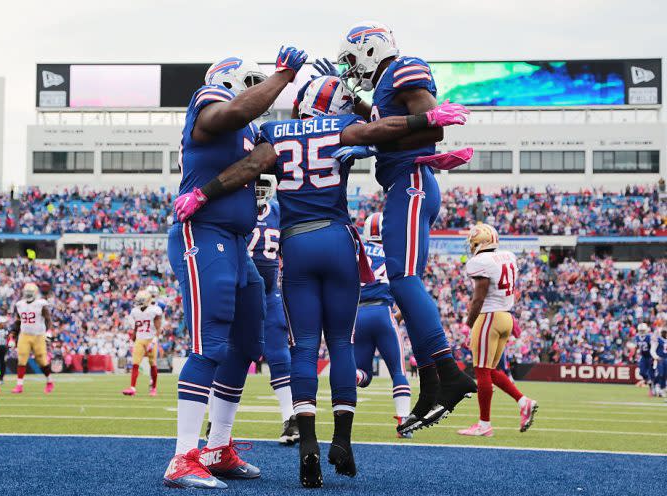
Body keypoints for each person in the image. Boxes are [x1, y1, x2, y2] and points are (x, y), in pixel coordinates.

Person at [174, 75, 469, 488]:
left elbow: (250, 166)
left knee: (304, 347)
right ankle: (343, 440)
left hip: (296, 244)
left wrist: (203, 193)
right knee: (342, 344)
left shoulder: (273, 131)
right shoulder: (337, 128)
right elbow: (379, 130)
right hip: (336, 237)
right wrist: (425, 122)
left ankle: (307, 441)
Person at [163, 47, 308, 490]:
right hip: (202, 234)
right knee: (210, 341)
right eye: (255, 85)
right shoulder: (208, 103)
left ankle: (216, 447)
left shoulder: (248, 132)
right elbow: (238, 110)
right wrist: (283, 77)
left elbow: (263, 158)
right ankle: (182, 456)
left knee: (245, 345)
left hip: (236, 244)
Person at [337, 21, 478, 433]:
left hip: (412, 180)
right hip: (403, 182)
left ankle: (448, 373)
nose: (349, 67)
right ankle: (432, 385)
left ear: (369, 49)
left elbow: (431, 124)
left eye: (350, 58)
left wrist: (370, 140)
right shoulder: (383, 87)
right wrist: (361, 112)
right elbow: (388, 118)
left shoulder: (403, 68)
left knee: (404, 278)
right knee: (401, 281)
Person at [456, 224, 537, 437]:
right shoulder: (508, 256)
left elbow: (479, 298)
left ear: (479, 243)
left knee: (482, 371)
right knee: (490, 371)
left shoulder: (480, 262)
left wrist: (468, 325)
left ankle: (484, 425)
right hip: (505, 317)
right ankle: (523, 401)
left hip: (489, 317)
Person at [247, 175, 299, 445]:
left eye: (262, 183)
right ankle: (217, 424)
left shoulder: (280, 211)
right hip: (239, 291)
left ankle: (291, 418)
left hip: (269, 292)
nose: (257, 188)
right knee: (228, 354)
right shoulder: (234, 208)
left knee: (279, 354)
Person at [353, 213, 412, 438]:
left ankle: (352, 375)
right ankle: (404, 422)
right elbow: (407, 293)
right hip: (382, 311)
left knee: (363, 375)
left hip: (358, 314)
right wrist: (397, 316)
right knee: (398, 370)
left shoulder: (356, 251)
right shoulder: (395, 254)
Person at [12, 282, 54, 394]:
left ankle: (49, 381)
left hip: (38, 335)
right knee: (21, 359)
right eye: (27, 292)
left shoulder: (41, 304)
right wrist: (13, 334)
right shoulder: (19, 305)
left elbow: (48, 319)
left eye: (30, 292)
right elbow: (17, 321)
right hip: (24, 335)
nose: (29, 294)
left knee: (42, 360)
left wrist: (48, 332)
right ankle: (19, 385)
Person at [123, 290, 162, 396]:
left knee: (153, 364)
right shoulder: (135, 311)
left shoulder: (155, 310)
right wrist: (132, 339)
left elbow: (159, 328)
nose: (139, 302)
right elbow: (136, 327)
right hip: (140, 339)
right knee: (135, 364)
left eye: (141, 300)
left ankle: (154, 388)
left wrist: (154, 341)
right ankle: (132, 388)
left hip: (151, 339)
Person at [634, 323, 654, 395]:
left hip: (650, 356)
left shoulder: (649, 337)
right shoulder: (637, 337)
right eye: (641, 330)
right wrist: (635, 355)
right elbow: (637, 347)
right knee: (641, 372)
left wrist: (654, 356)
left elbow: (653, 347)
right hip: (643, 357)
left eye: (643, 330)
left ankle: (652, 389)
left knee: (652, 374)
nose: (642, 332)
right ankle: (649, 382)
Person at [650, 328, 666, 398]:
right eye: (664, 333)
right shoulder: (658, 340)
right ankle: (656, 385)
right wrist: (656, 357)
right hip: (660, 359)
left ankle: (662, 389)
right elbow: (652, 350)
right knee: (660, 373)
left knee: (665, 375)